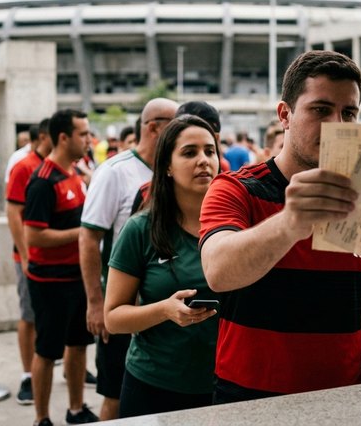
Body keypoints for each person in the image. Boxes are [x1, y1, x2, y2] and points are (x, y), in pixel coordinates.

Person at [200, 50, 361, 403]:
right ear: (285, 115)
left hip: (343, 398)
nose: (338, 125)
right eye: (321, 110)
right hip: (248, 399)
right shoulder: (236, 188)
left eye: (349, 113)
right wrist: (292, 222)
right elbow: (219, 271)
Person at [104, 115, 220, 417]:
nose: (203, 160)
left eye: (210, 151)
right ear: (167, 166)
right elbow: (113, 318)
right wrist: (165, 310)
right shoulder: (140, 229)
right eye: (189, 152)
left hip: (224, 386)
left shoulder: (235, 224)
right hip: (152, 386)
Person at [79, 97, 178, 421]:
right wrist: (96, 301)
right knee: (115, 395)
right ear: (153, 127)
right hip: (123, 303)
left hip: (165, 306)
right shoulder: (114, 172)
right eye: (176, 122)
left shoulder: (175, 170)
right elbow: (89, 238)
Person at [23, 109, 98, 426]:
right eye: (83, 134)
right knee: (47, 350)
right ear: (64, 137)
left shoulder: (76, 173)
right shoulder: (43, 181)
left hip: (78, 276)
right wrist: (83, 233)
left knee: (78, 344)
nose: (89, 139)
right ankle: (42, 418)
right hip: (50, 281)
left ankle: (76, 409)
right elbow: (34, 235)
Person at [6, 119, 52, 405]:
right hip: (30, 257)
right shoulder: (24, 166)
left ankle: (73, 368)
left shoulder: (65, 167)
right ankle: (27, 374)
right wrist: (25, 255)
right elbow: (14, 215)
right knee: (29, 316)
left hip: (58, 263)